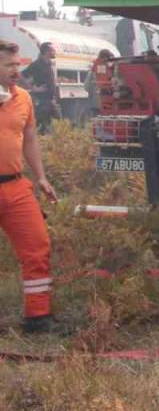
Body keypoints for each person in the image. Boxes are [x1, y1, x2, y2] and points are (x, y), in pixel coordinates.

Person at [0, 40, 60, 333]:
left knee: (37, 247)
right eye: (9, 65)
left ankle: (38, 318)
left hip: (14, 187)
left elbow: (31, 138)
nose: (16, 69)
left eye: (17, 63)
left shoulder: (22, 98)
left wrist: (41, 177)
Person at [22, 43, 59, 134]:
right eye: (52, 50)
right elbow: (21, 75)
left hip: (50, 100)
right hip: (41, 100)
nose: (54, 52)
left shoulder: (49, 64)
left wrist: (54, 98)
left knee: (56, 123)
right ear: (46, 51)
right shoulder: (37, 64)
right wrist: (33, 88)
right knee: (42, 126)